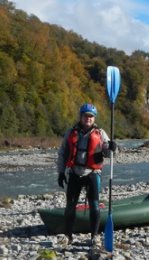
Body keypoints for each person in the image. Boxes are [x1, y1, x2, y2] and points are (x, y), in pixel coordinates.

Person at [57, 103, 117, 247]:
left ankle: (94, 236)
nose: (88, 119)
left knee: (95, 206)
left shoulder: (100, 133)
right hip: (74, 173)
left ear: (94, 118)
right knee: (70, 206)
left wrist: (113, 147)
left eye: (91, 116)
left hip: (92, 173)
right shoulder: (71, 132)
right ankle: (68, 236)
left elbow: (109, 153)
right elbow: (63, 152)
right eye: (86, 116)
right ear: (81, 117)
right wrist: (60, 172)